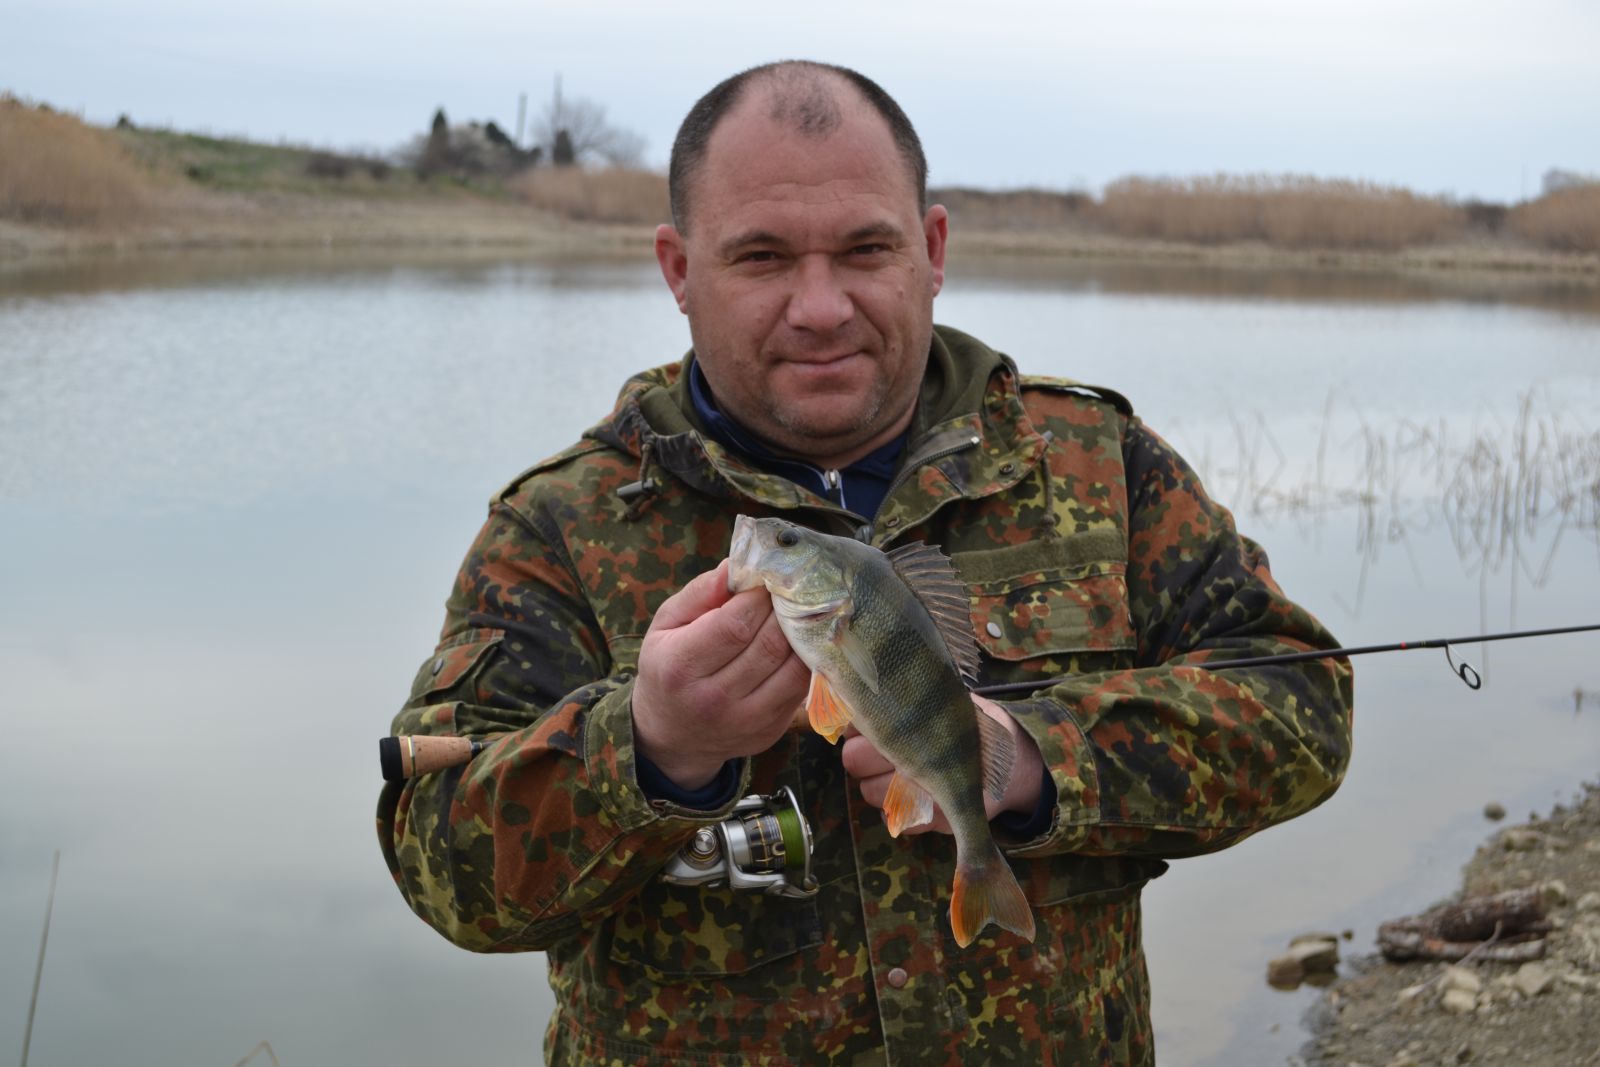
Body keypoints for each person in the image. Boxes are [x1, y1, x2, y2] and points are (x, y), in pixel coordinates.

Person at [376, 60, 1354, 1066]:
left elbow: (1303, 708)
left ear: (930, 249)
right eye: (760, 257)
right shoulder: (560, 525)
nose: (820, 307)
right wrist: (648, 747)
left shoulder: (1098, 461)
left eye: (863, 249)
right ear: (677, 270)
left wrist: (1030, 758)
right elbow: (439, 866)